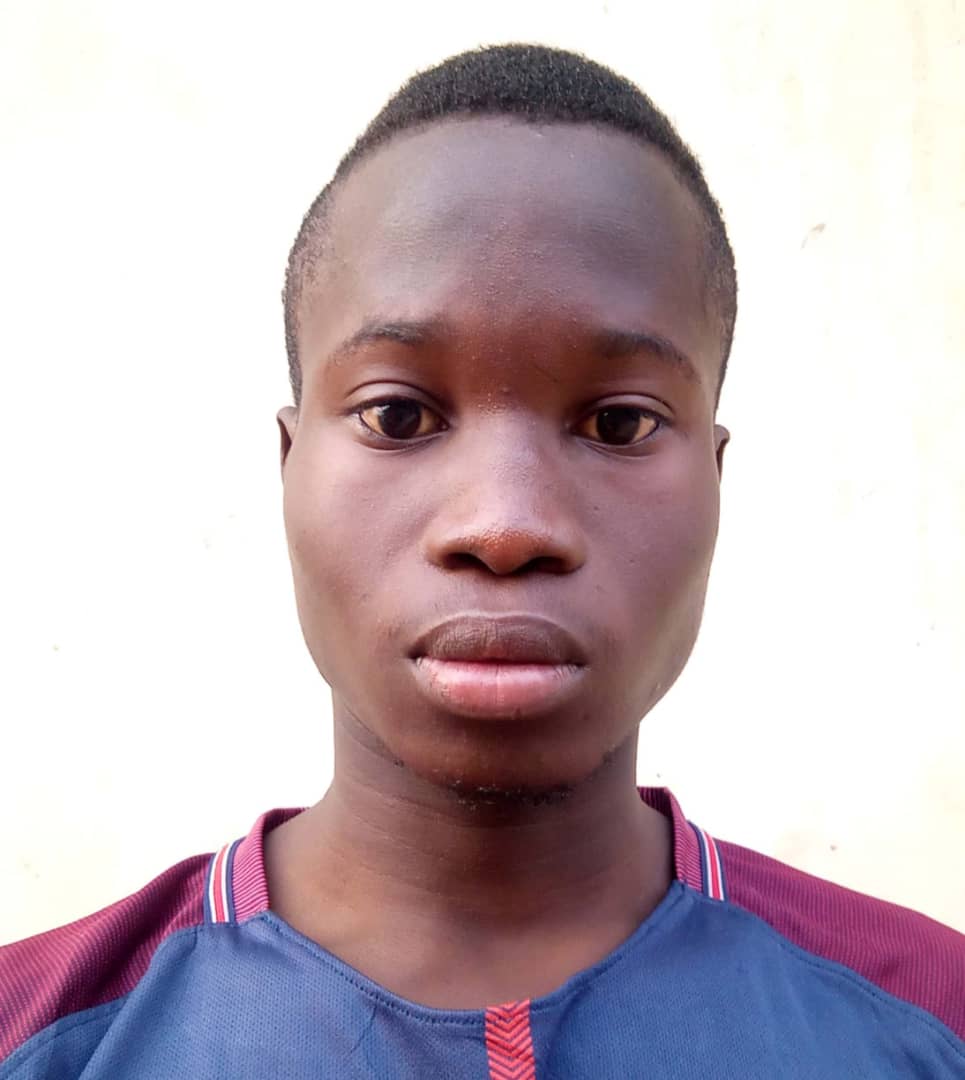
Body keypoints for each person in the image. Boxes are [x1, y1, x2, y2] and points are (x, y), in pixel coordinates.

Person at [1, 42, 962, 1080]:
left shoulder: (928, 1019)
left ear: (715, 480)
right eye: (398, 415)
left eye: (619, 423)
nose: (504, 526)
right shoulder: (40, 1034)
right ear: (289, 465)